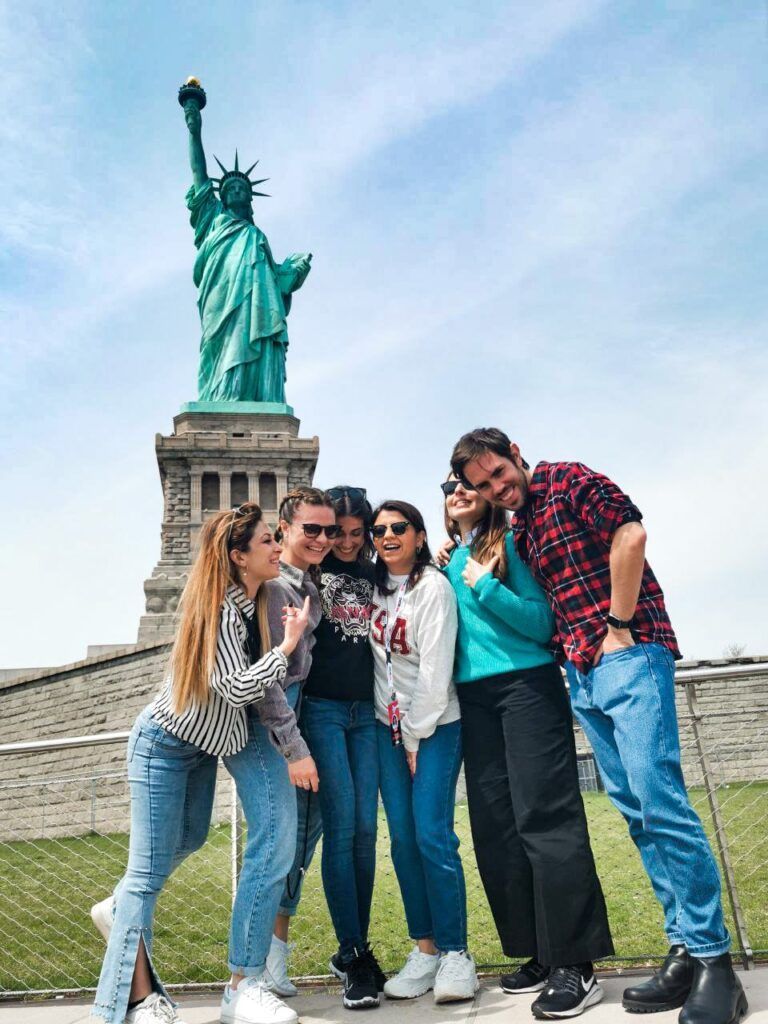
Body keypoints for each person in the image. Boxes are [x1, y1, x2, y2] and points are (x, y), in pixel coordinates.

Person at [451, 428, 748, 1024]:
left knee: (661, 802)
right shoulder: (522, 527)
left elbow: (630, 534)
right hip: (582, 672)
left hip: (628, 654)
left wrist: (617, 621)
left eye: (499, 474)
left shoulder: (565, 480)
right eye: (483, 486)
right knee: (638, 814)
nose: (497, 489)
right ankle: (685, 947)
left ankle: (717, 962)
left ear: (516, 455)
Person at [89, 503, 310, 1024]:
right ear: (238, 556)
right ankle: (136, 1001)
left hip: (208, 745)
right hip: (163, 746)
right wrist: (288, 643)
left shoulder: (256, 600)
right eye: (267, 543)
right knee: (145, 871)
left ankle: (118, 912)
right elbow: (234, 688)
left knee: (188, 841)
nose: (278, 548)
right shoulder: (214, 610)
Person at [440, 472, 614, 1019]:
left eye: (466, 482)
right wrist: (456, 565)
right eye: (448, 485)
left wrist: (484, 584)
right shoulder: (447, 557)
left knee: (547, 818)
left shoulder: (512, 541)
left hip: (527, 687)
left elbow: (542, 624)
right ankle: (539, 950)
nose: (458, 490)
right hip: (472, 698)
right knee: (496, 827)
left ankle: (576, 963)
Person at [268, 486, 384, 1011]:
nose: (342, 541)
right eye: (334, 531)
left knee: (365, 829)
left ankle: (355, 949)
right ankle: (352, 950)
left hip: (369, 714)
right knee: (338, 829)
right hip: (323, 711)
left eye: (355, 533)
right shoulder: (306, 576)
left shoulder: (378, 572)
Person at [226, 486, 337, 1024]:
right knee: (276, 841)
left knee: (295, 838)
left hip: (295, 710)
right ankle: (253, 971)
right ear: (285, 530)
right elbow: (271, 676)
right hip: (274, 718)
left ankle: (268, 960)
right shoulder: (274, 587)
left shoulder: (305, 582)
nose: (321, 539)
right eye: (309, 530)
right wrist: (294, 748)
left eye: (329, 531)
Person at [369, 500, 478, 1005]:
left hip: (435, 725)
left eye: (398, 528)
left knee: (433, 834)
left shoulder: (433, 587)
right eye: (378, 529)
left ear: (418, 535)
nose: (386, 535)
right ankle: (426, 949)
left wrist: (414, 736)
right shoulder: (371, 589)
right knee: (404, 842)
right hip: (385, 730)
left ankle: (457, 953)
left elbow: (436, 672)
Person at [183, 97, 311, 402]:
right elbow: (199, 174)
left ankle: (254, 395)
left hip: (255, 305)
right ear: (222, 197)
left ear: (250, 199)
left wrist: (294, 272)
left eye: (242, 188)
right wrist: (194, 129)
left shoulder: (257, 236)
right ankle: (221, 397)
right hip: (220, 297)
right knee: (219, 345)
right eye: (230, 189)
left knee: (257, 336)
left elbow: (275, 282)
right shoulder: (212, 219)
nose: (237, 190)